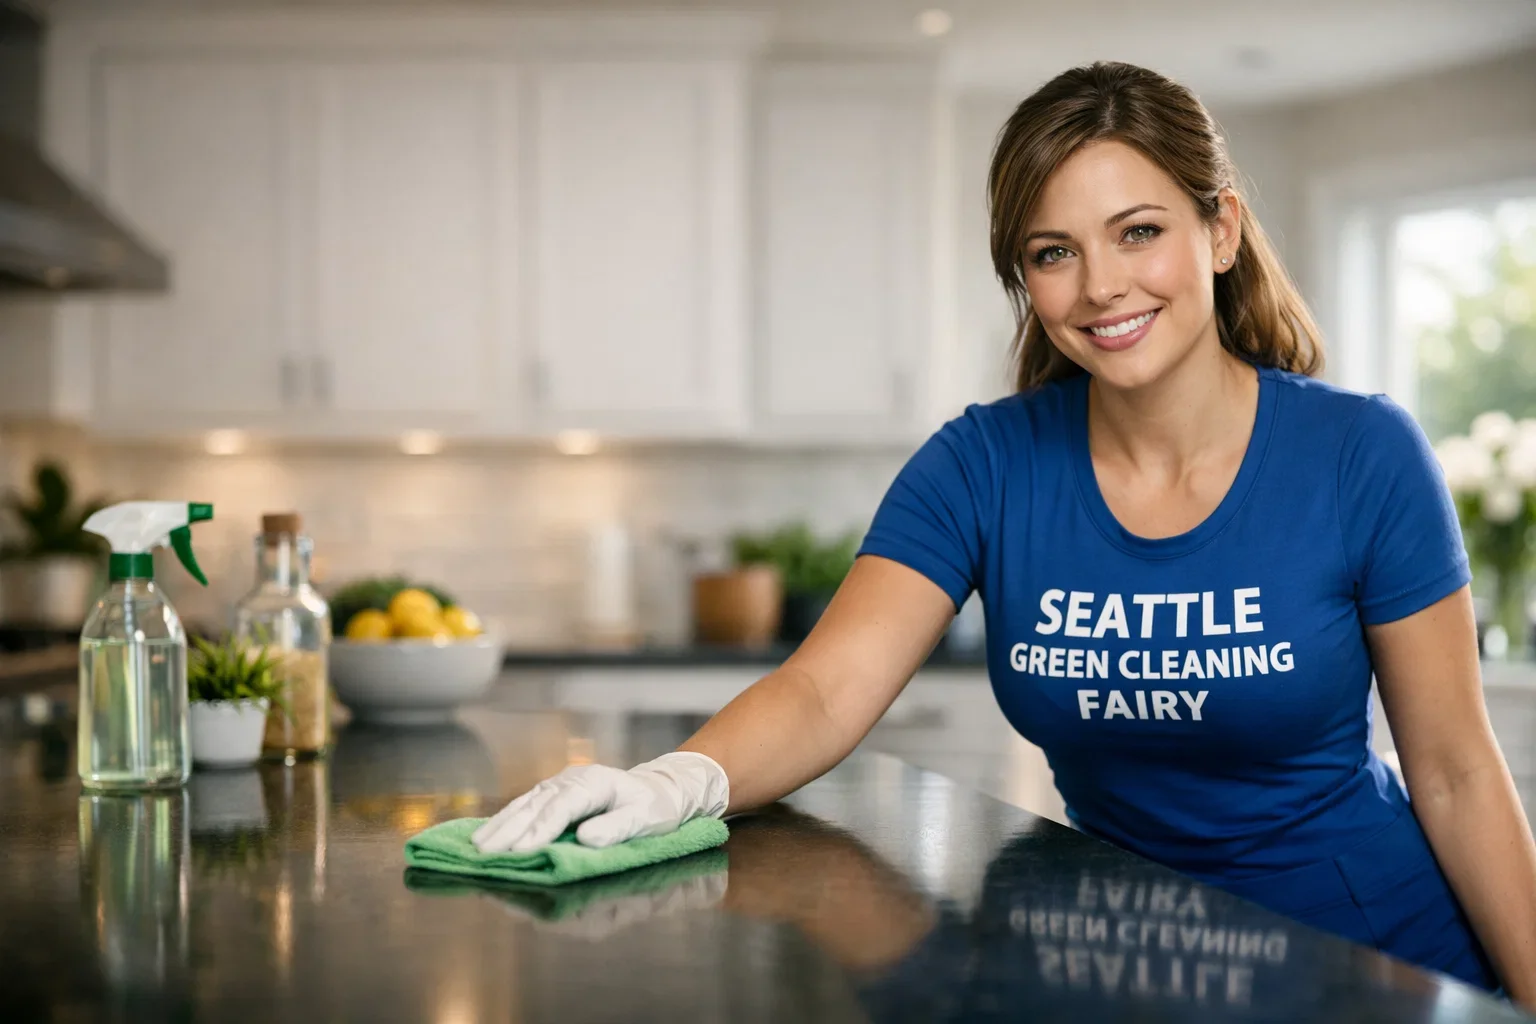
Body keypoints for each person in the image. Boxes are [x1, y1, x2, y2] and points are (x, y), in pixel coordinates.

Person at [472, 61, 1536, 1004]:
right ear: (1025, 280)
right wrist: (677, 781)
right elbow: (824, 689)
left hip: (1356, 955)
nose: (1103, 285)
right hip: (1109, 958)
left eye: (1141, 232)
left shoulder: (1361, 455)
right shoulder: (981, 466)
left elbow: (1454, 773)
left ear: (1220, 229)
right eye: (1054, 251)